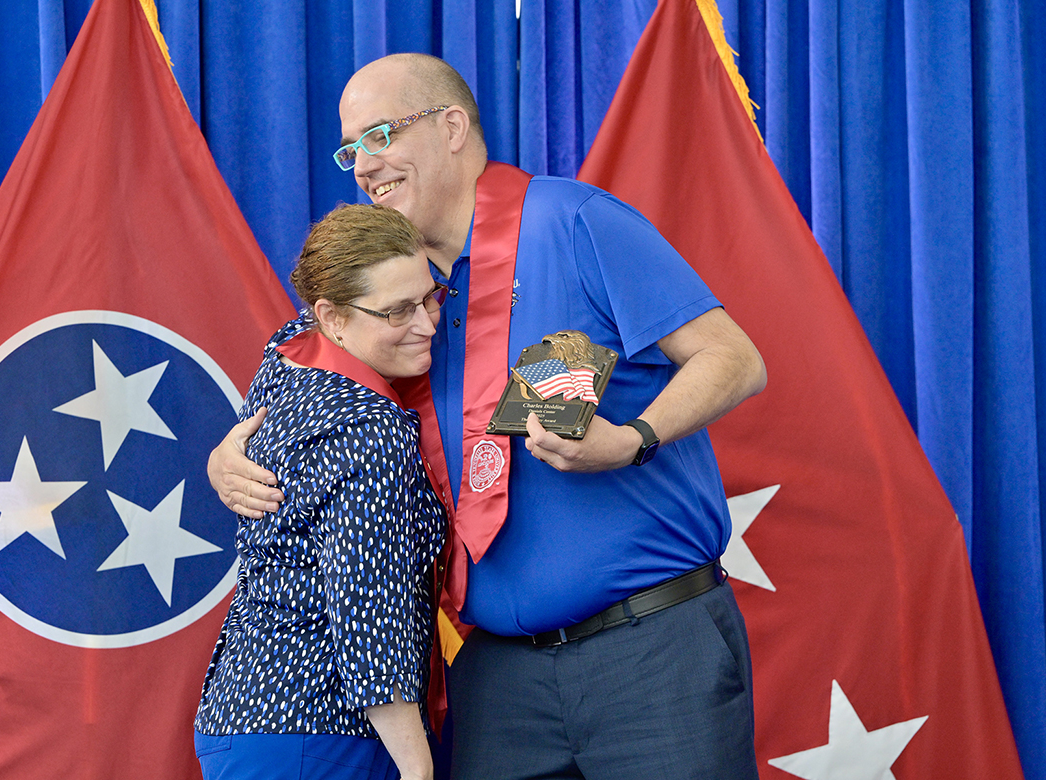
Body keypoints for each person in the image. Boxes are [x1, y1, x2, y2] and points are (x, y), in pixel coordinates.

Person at [211, 54, 767, 780]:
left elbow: (735, 359)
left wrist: (632, 440)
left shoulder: (576, 221)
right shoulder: (396, 293)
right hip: (499, 675)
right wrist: (228, 450)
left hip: (650, 650)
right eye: (352, 150)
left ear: (451, 127)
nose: (363, 166)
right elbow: (304, 360)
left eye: (380, 136)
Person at [194, 203, 448, 780]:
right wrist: (418, 769)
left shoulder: (289, 355)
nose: (427, 324)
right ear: (332, 316)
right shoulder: (367, 427)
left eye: (430, 296)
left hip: (245, 716)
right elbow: (369, 618)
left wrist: (221, 458)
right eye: (397, 311)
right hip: (323, 734)